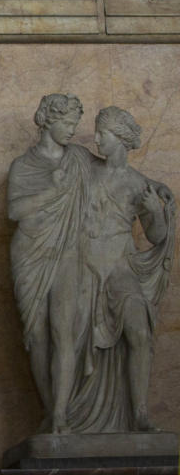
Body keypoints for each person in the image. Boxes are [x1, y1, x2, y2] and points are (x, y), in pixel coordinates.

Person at [65, 106, 176, 432]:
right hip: (85, 267)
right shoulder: (86, 166)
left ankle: (140, 413)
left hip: (120, 268)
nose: (96, 138)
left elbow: (156, 236)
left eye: (103, 133)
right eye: (97, 131)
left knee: (139, 333)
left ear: (122, 139)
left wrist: (155, 211)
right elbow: (59, 153)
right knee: (71, 338)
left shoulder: (138, 184)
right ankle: (69, 412)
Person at [7, 93, 94, 433]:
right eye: (67, 123)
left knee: (64, 332)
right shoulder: (23, 165)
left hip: (68, 251)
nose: (73, 130)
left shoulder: (80, 159)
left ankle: (61, 413)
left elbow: (116, 171)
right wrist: (52, 191)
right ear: (46, 120)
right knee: (37, 335)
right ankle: (48, 410)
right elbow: (14, 211)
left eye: (75, 123)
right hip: (30, 253)